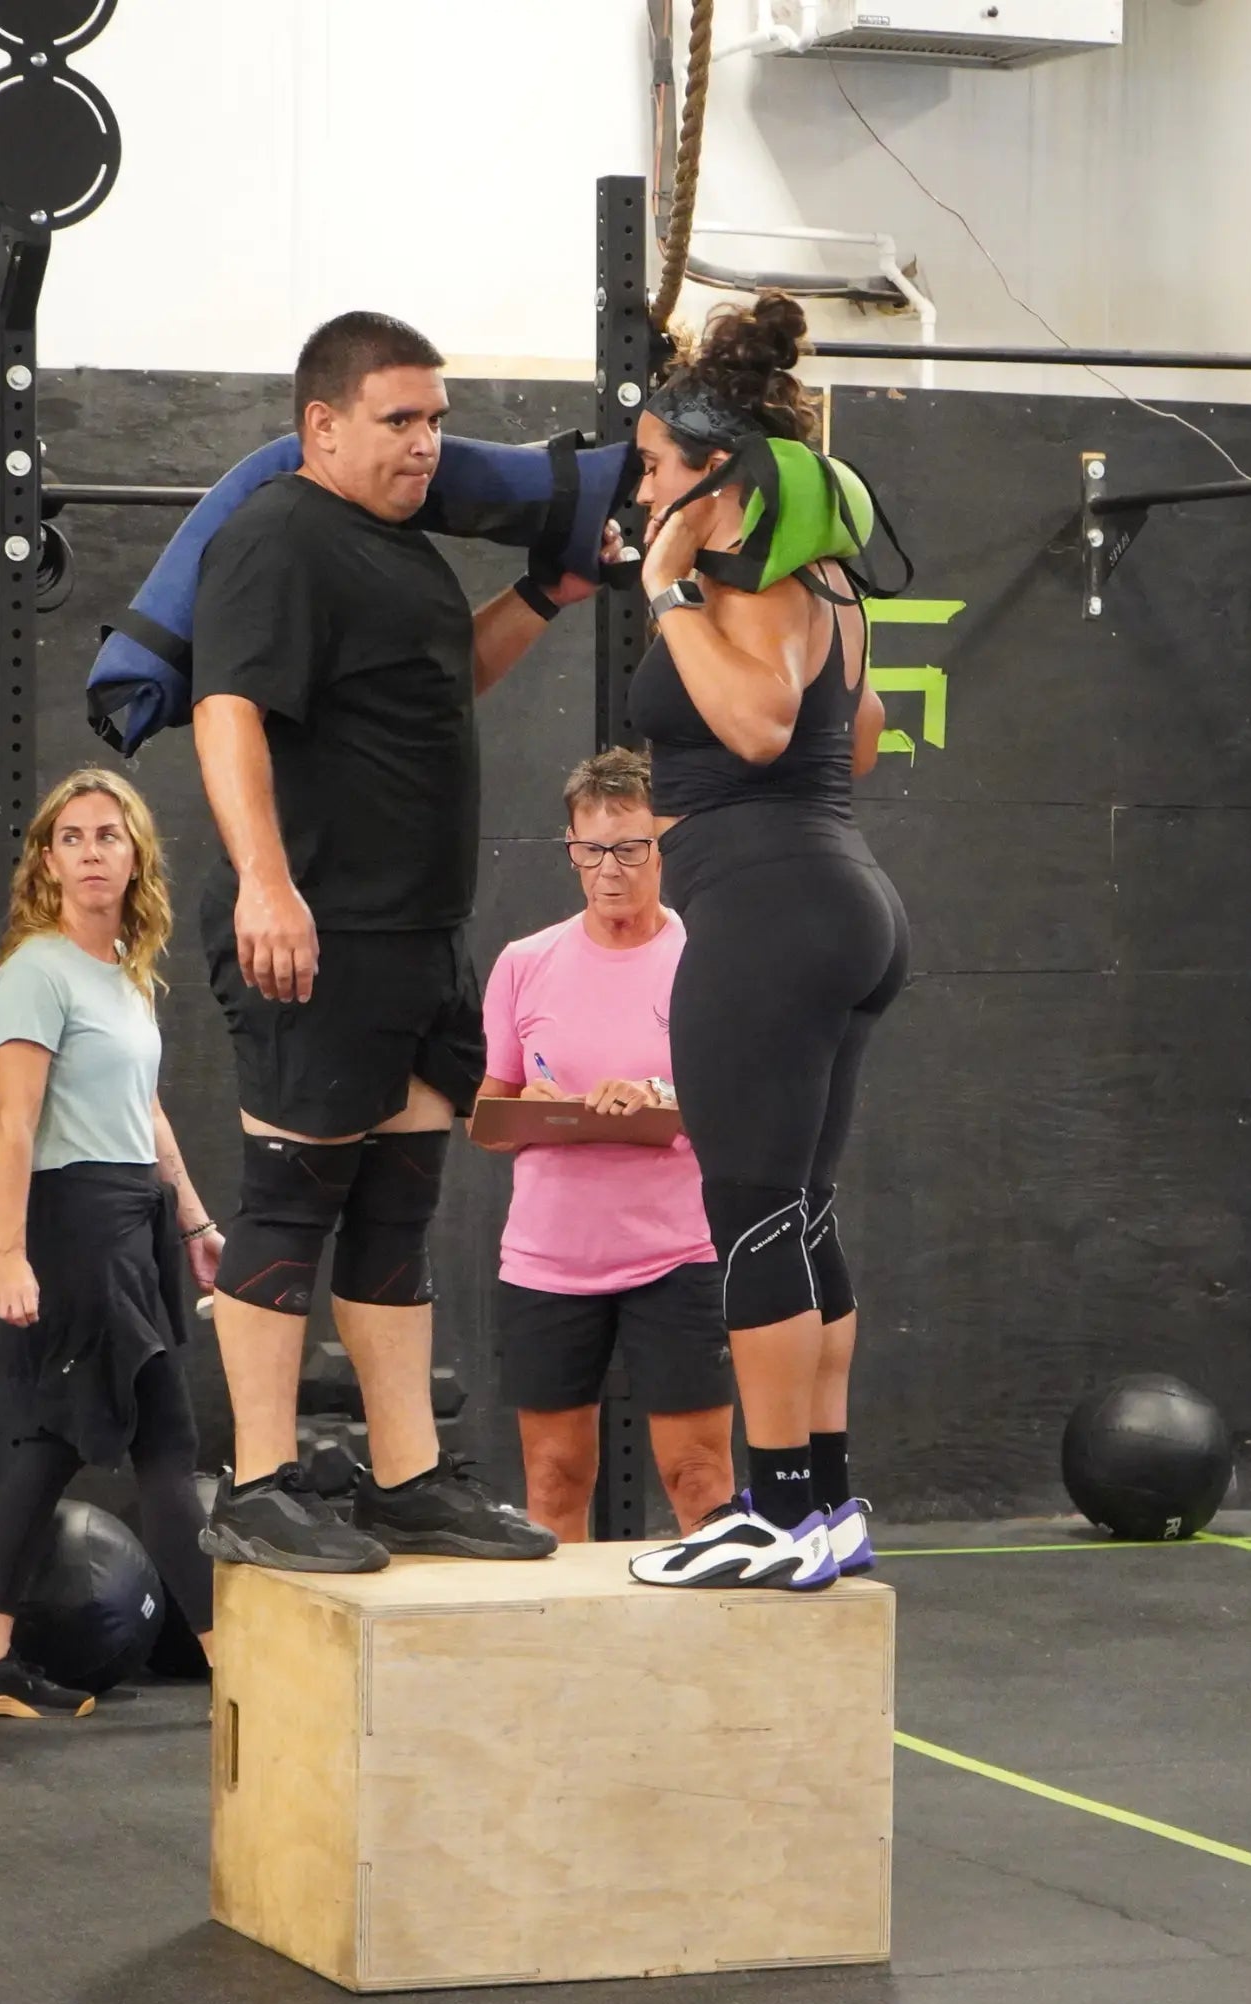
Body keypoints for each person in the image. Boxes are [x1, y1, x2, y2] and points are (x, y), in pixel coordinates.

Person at [191, 310, 619, 1570]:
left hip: (418, 942)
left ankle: (405, 1477)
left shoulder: (401, 551)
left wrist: (549, 587)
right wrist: (267, 883)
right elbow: (227, 715)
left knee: (395, 1210)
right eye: (398, 419)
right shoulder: (277, 536)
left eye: (436, 420)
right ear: (320, 426)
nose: (427, 443)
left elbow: (438, 685)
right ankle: (256, 1480)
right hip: (316, 933)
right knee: (292, 1198)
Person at [623, 292, 906, 1592]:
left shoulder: (754, 581)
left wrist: (669, 593)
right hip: (836, 891)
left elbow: (754, 726)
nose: (640, 487)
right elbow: (857, 739)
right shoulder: (830, 586)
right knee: (792, 1213)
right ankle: (827, 1506)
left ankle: (777, 1513)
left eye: (656, 469)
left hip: (768, 907)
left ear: (717, 477)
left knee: (747, 1215)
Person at [0, 768, 222, 1719]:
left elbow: (144, 1112)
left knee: (52, 1444)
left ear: (136, 853)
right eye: (73, 838)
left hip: (130, 1216)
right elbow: (13, 1124)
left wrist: (192, 1219)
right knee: (166, 1446)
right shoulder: (34, 971)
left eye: (109, 835)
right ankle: (243, 1664)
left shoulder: (123, 975)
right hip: (75, 1225)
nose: (92, 851)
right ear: (48, 863)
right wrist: (7, 1257)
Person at [474, 747, 735, 1541]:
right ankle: (565, 1659)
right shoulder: (525, 963)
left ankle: (715, 1652)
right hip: (549, 1263)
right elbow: (490, 1110)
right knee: (553, 1483)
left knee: (699, 1478)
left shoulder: (708, 957)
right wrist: (535, 1104)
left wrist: (664, 1100)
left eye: (629, 848)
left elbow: (748, 1101)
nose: (608, 870)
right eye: (589, 851)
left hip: (678, 1255)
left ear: (664, 842)